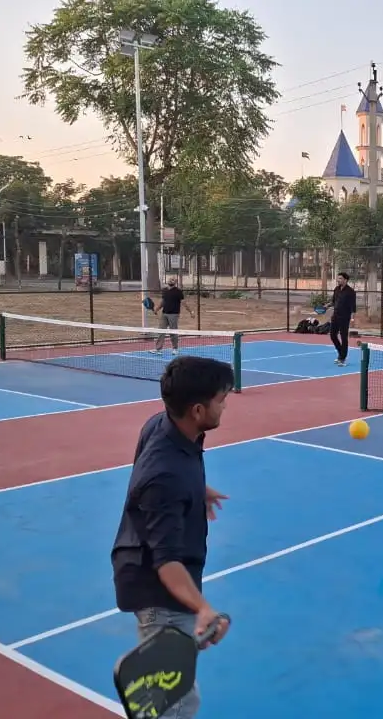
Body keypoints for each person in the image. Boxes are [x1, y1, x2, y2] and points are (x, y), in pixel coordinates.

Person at [111, 356, 233, 719]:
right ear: (198, 409)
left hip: (151, 564)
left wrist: (197, 489)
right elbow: (166, 564)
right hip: (157, 587)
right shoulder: (165, 476)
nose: (225, 404)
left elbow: (152, 476)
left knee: (175, 697)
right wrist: (203, 608)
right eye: (221, 398)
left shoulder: (164, 425)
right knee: (174, 702)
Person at [152, 277, 195, 355]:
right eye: (170, 279)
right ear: (168, 281)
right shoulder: (164, 290)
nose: (171, 280)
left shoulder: (178, 292)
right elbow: (163, 302)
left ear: (175, 282)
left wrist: (191, 312)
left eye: (173, 280)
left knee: (173, 332)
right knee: (161, 331)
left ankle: (175, 349)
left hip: (174, 314)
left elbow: (183, 303)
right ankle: (158, 349)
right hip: (164, 314)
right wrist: (156, 309)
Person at [329, 272, 356, 366]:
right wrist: (326, 305)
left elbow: (353, 307)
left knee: (344, 337)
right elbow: (333, 302)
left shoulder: (350, 292)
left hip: (345, 317)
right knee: (332, 335)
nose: (338, 280)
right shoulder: (336, 289)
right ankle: (341, 354)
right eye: (338, 278)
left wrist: (352, 319)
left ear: (345, 280)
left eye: (340, 278)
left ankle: (342, 358)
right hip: (335, 316)